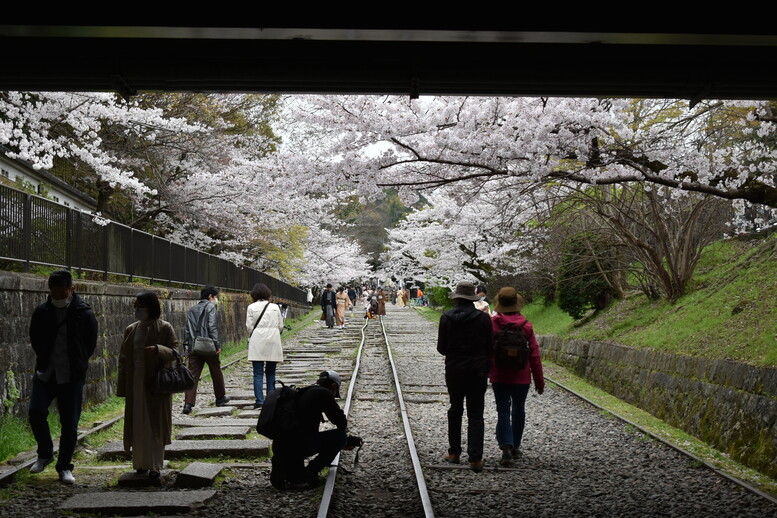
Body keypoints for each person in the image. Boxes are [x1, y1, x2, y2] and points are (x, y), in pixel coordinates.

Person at [28, 270, 98, 485]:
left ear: (71, 290)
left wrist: (78, 364)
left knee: (70, 423)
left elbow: (90, 343)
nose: (58, 297)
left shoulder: (84, 313)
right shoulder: (42, 311)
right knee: (36, 412)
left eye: (62, 293)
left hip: (71, 375)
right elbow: (35, 338)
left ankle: (65, 466)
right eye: (54, 293)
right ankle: (45, 453)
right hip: (46, 373)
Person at [117, 291, 178, 479]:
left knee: (155, 425)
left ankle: (155, 466)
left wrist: (159, 350)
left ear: (150, 307)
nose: (137, 310)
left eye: (140, 307)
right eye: (135, 306)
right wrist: (122, 384)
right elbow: (123, 358)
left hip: (156, 384)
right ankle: (140, 463)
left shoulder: (165, 328)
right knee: (138, 423)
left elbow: (176, 351)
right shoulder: (131, 329)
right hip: (135, 383)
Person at [436, 281, 493, 472]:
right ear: (473, 298)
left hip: (454, 370)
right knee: (476, 413)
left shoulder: (446, 318)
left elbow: (441, 348)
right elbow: (490, 347)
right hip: (477, 370)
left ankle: (454, 452)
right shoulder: (483, 319)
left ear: (457, 298)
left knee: (455, 409)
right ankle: (475, 458)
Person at [490, 287, 544, 466]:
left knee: (503, 410)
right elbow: (534, 354)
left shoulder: (493, 323)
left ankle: (505, 445)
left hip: (500, 374)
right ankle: (515, 446)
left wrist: (486, 371)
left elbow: (486, 349)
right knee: (519, 410)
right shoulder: (526, 325)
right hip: (521, 376)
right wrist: (539, 380)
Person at [270, 371, 348, 489]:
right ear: (333, 386)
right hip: (300, 445)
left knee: (302, 438)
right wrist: (346, 441)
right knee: (340, 437)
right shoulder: (323, 393)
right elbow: (341, 422)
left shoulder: (305, 391)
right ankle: (309, 473)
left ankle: (294, 474)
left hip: (281, 446)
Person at [182, 285, 230, 414]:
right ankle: (220, 398)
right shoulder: (210, 307)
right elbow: (212, 327)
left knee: (192, 375)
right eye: (215, 296)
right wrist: (217, 344)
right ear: (210, 296)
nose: (216, 299)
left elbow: (187, 329)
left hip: (194, 346)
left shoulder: (192, 309)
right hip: (208, 346)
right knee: (216, 371)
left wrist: (186, 344)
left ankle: (188, 404)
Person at [246, 283, 285, 409]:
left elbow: (249, 326)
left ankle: (259, 401)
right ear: (268, 294)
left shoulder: (251, 307)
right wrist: (274, 332)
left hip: (257, 339)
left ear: (254, 295)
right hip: (273, 339)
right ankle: (271, 400)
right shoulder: (275, 307)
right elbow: (280, 325)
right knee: (271, 372)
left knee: (257, 373)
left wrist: (255, 334)